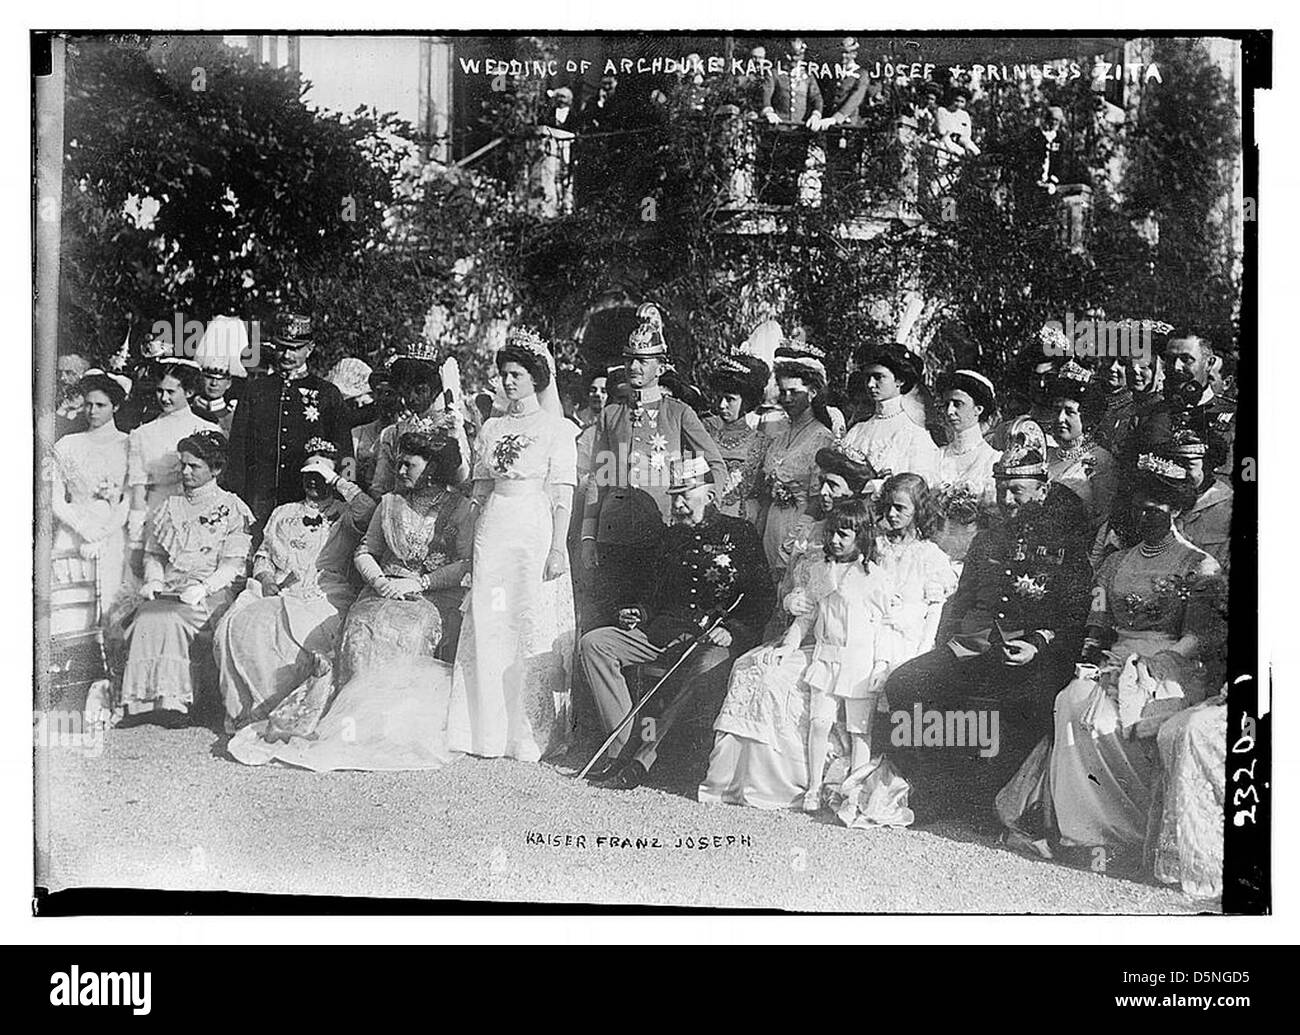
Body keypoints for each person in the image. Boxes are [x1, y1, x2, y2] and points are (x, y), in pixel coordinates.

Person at [999, 456, 1226, 869]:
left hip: (1167, 666)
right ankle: (1082, 832)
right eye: (1139, 506)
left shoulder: (1199, 565)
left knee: (1111, 723)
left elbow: (1201, 634)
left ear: (1175, 508)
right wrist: (1088, 662)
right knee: (1071, 700)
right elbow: (1098, 624)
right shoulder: (1115, 562)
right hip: (1113, 658)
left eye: (1156, 506)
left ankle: (1131, 832)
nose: (1145, 514)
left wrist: (1161, 662)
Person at [878, 418, 1093, 815]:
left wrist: (1038, 643)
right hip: (972, 647)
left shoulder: (1064, 544)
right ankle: (934, 786)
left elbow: (1074, 612)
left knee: (1022, 703)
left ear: (1042, 490)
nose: (1008, 500)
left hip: (1031, 655)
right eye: (1001, 490)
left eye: (1017, 491)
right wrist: (943, 647)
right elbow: (959, 603)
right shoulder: (987, 539)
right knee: (906, 685)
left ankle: (986, 799)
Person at [227, 429, 470, 772]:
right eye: (399, 464)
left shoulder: (459, 508)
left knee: (408, 630)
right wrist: (381, 581)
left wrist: (421, 581)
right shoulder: (389, 504)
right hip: (382, 588)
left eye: (409, 465)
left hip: (434, 595)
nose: (400, 471)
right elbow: (366, 550)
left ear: (432, 468)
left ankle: (393, 722)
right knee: (360, 625)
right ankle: (352, 718)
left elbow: (465, 561)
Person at [580, 455, 775, 791]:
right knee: (595, 644)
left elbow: (761, 596)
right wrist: (638, 611)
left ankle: (645, 758)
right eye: (674, 496)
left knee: (703, 669)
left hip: (716, 637)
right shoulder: (671, 537)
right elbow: (654, 589)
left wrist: (734, 630)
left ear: (710, 496)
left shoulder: (739, 534)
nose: (678, 504)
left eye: (685, 495)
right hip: (665, 631)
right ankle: (620, 748)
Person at [446, 329, 577, 762]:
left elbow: (562, 494)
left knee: (527, 620)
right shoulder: (492, 426)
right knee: (491, 617)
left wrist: (558, 547)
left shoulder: (556, 428)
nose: (507, 382)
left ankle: (527, 732)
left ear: (537, 378)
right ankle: (484, 730)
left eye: (516, 374)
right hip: (494, 528)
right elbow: (479, 488)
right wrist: (472, 531)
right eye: (503, 375)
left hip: (533, 527)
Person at [700, 499, 881, 812]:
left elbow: (883, 621)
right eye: (832, 534)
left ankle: (839, 787)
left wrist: (882, 662)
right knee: (763, 676)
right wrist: (787, 646)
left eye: (843, 535)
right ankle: (760, 782)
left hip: (857, 660)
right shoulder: (822, 569)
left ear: (861, 537)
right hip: (821, 652)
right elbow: (806, 617)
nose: (834, 541)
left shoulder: (871, 575)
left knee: (851, 724)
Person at [580, 303, 726, 630]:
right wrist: (588, 537)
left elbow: (715, 465)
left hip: (661, 533)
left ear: (660, 367)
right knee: (607, 620)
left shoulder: (678, 413)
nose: (634, 366)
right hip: (612, 536)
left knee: (649, 622)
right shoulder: (610, 415)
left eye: (643, 361)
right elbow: (597, 482)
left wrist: (702, 507)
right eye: (630, 358)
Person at [213, 440, 377, 729]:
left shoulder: (345, 512)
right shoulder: (284, 512)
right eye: (308, 474)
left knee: (298, 634)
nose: (314, 481)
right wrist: (264, 577)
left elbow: (369, 510)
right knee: (242, 623)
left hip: (324, 589)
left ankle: (289, 710)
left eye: (321, 475)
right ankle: (252, 708)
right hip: (278, 585)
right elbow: (264, 553)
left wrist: (338, 481)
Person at [120, 430, 254, 722]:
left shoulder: (232, 507)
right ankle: (143, 703)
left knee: (171, 619)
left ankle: (177, 702)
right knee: (145, 615)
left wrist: (204, 588)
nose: (185, 471)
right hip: (170, 588)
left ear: (216, 469)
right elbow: (155, 554)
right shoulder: (170, 506)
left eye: (194, 466)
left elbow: (232, 565)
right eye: (183, 464)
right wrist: (154, 580)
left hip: (211, 592)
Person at [222, 312, 353, 531]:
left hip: (309, 501)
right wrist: (236, 496)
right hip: (258, 499)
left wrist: (347, 493)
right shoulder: (256, 390)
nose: (287, 355)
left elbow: (346, 451)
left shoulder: (327, 394)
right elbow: (238, 449)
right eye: (282, 347)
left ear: (309, 348)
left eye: (295, 348)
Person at [50, 372, 132, 633]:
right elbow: (53, 497)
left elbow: (129, 499)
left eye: (100, 405)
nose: (92, 411)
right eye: (88, 404)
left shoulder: (129, 444)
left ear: (116, 407)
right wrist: (83, 529)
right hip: (72, 532)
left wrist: (102, 534)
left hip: (111, 535)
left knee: (108, 607)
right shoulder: (67, 444)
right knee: (68, 609)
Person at [755, 335, 836, 579]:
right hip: (771, 523)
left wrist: (795, 540)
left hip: (800, 525)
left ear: (812, 392)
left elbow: (816, 499)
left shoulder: (822, 438)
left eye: (794, 392)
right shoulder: (779, 435)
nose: (787, 398)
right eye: (783, 392)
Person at [126, 358, 214, 552]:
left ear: (189, 392)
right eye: (160, 391)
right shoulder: (142, 434)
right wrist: (135, 536)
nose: (164, 398)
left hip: (197, 510)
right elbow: (138, 488)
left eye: (171, 392)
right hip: (156, 510)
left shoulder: (206, 429)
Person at [839, 342, 940, 493]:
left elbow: (920, 486)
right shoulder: (858, 429)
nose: (870, 384)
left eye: (878, 377)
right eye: (867, 377)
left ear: (900, 380)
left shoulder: (914, 432)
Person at [370, 346, 471, 495]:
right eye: (406, 389)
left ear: (435, 391)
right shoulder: (392, 433)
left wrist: (454, 438)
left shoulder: (451, 427)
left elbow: (463, 480)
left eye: (420, 391)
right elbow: (380, 485)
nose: (411, 397)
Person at [932, 369, 1001, 566]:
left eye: (958, 404)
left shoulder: (994, 460)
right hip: (934, 558)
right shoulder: (935, 456)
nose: (949, 411)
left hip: (978, 561)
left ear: (978, 409)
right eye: (946, 405)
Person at [1045, 360, 1118, 532]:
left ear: (1086, 416)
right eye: (1057, 410)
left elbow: (1101, 518)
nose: (1060, 418)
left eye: (1070, 412)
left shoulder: (1101, 461)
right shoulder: (1045, 454)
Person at [702, 354, 770, 520]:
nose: (722, 405)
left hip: (745, 517)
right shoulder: (705, 435)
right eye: (720, 398)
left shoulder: (762, 442)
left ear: (746, 401)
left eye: (730, 399)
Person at [350, 364, 401, 493]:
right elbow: (347, 473)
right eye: (379, 392)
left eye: (389, 393)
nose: (383, 399)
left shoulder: (404, 432)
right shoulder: (357, 433)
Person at [192, 360, 238, 437]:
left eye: (220, 379)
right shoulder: (187, 409)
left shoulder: (233, 417)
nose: (214, 383)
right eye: (209, 377)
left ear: (228, 383)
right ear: (200, 379)